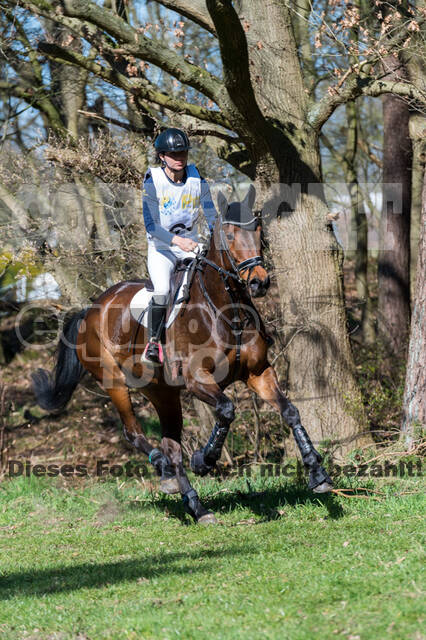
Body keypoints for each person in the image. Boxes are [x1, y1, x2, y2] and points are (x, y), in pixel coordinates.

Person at [141, 127, 218, 365]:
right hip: (162, 249)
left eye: (183, 153)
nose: (179, 158)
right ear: (162, 156)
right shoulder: (152, 181)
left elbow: (212, 215)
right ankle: (153, 343)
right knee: (163, 290)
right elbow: (151, 226)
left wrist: (221, 238)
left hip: (192, 246)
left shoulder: (197, 179)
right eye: (173, 154)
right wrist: (178, 241)